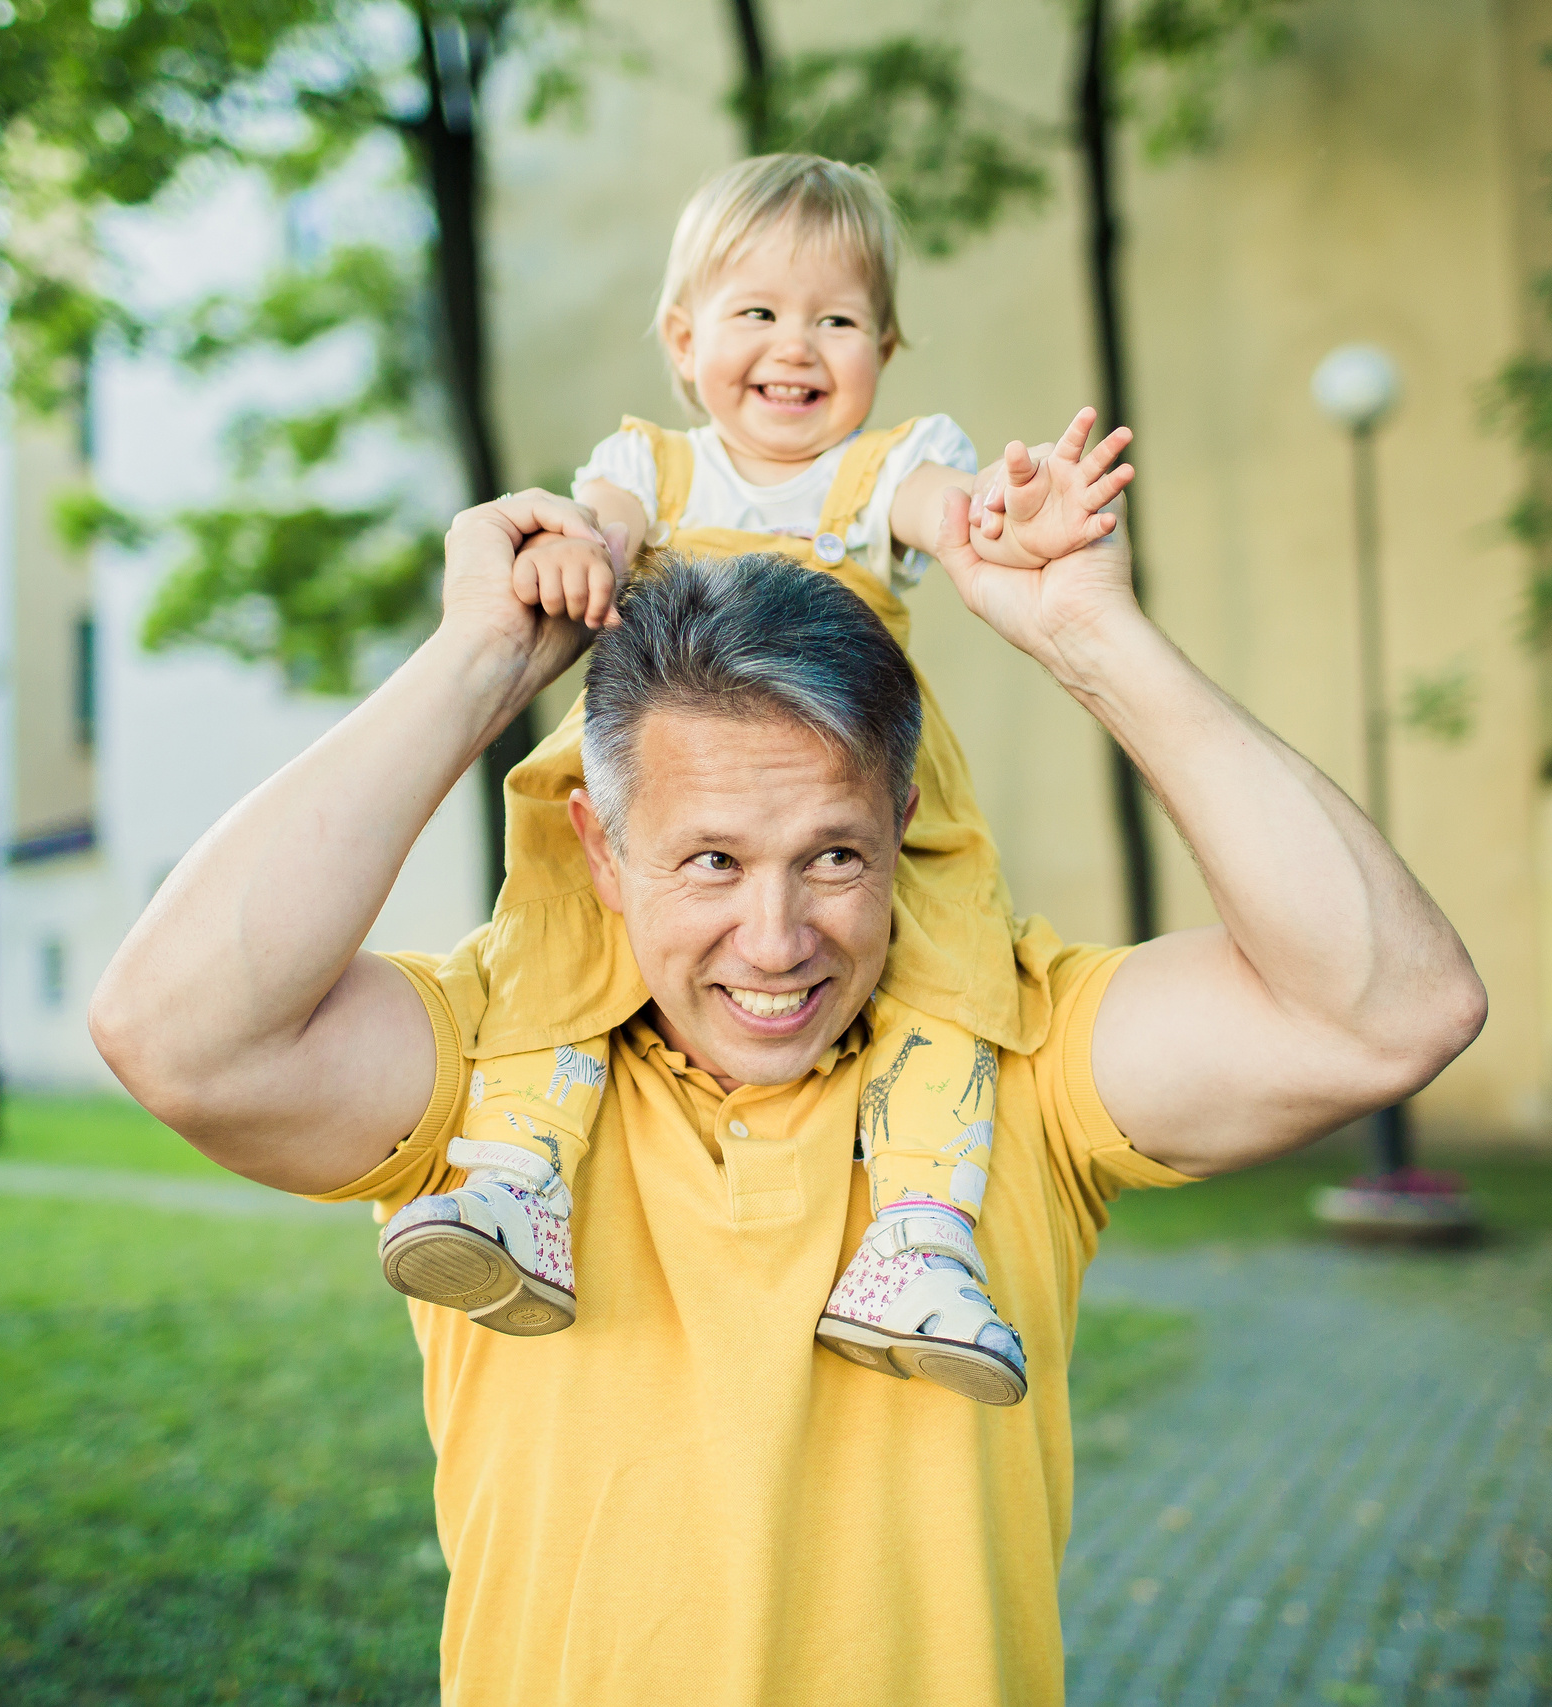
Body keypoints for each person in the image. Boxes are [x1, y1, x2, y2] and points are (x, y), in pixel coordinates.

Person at [90, 463, 1488, 1706]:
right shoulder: (491, 1071)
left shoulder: (1021, 1056)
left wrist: (1092, 638)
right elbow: (176, 1031)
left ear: (904, 828)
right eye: (709, 860)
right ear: (598, 843)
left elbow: (1391, 1008)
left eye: (832, 854)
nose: (775, 940)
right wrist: (475, 660)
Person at [374, 153, 1128, 1406]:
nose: (796, 346)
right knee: (559, 929)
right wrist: (565, 554)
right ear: (683, 339)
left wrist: (1005, 517)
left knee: (950, 962)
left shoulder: (888, 465)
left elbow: (951, 514)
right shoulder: (650, 467)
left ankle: (919, 1234)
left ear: (883, 345)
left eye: (836, 317)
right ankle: (516, 1175)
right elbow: (602, 530)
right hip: (662, 753)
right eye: (757, 313)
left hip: (863, 769)